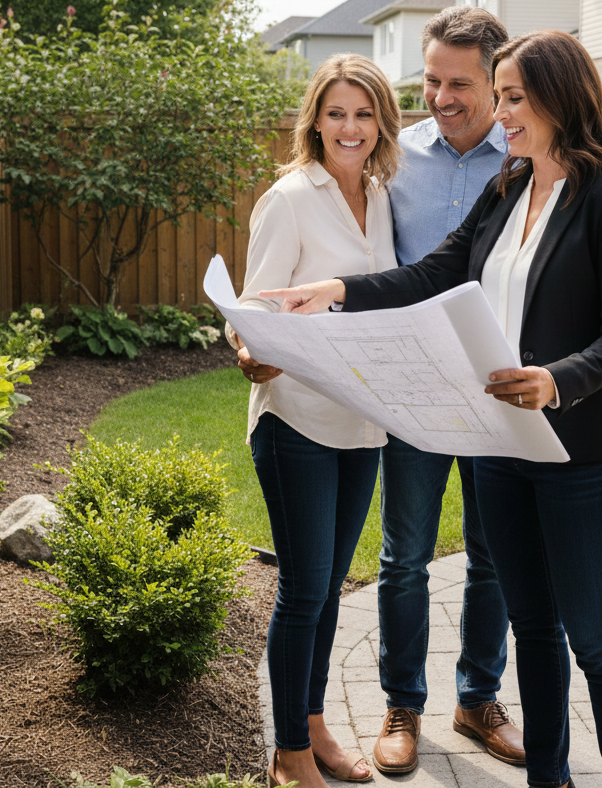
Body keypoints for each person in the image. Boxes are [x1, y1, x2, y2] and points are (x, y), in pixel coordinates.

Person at [261, 30, 602, 788]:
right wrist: (337, 292)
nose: (500, 114)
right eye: (501, 96)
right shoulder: (509, 184)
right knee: (535, 630)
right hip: (499, 445)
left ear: (557, 99)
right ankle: (551, 777)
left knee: (596, 638)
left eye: (513, 98)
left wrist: (557, 380)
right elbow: (439, 270)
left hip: (579, 450)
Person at [225, 54, 402, 788]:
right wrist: (248, 349)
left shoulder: (385, 196)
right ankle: (288, 754)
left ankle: (315, 723)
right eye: (336, 113)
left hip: (361, 420)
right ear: (315, 120)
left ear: (382, 122)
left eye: (363, 114)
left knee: (331, 585)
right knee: (303, 587)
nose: (350, 127)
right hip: (296, 418)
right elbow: (253, 309)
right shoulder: (290, 197)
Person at [371, 6, 523, 773]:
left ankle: (478, 698)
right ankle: (403, 703)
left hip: (500, 392)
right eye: (431, 79)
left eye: (459, 83)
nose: (440, 96)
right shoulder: (393, 157)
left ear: (498, 85)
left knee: (493, 557)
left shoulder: (528, 160)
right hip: (413, 393)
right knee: (404, 557)